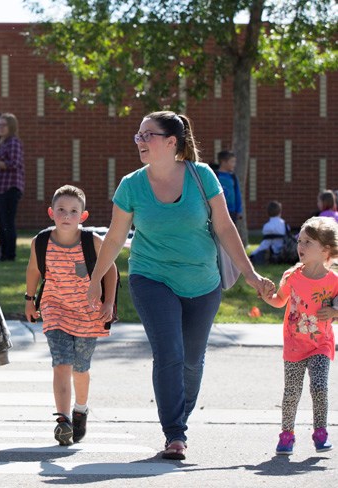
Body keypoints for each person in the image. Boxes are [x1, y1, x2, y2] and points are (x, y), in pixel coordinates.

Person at [85, 111, 272, 460]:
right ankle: (175, 433)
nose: (140, 141)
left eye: (148, 135)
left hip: (202, 281)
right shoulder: (131, 184)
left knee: (191, 359)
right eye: (138, 136)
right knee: (169, 353)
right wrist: (96, 279)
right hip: (151, 276)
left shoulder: (202, 176)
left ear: (172, 142)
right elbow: (114, 237)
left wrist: (250, 274)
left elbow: (225, 227)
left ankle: (178, 418)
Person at [25, 185, 118, 446]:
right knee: (61, 363)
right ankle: (63, 420)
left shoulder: (92, 242)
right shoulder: (40, 241)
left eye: (73, 211)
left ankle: (80, 408)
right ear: (51, 213)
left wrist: (108, 303)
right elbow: (33, 270)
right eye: (62, 210)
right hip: (55, 308)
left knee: (81, 368)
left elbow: (111, 272)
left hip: (89, 312)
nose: (67, 215)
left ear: (83, 216)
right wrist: (30, 299)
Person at [261, 216, 338, 455]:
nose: (300, 247)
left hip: (321, 344)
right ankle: (287, 435)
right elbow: (279, 301)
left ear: (325, 249)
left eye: (308, 242)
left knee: (319, 387)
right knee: (292, 392)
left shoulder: (334, 281)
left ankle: (320, 432)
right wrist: (266, 296)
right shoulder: (292, 276)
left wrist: (335, 310)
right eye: (300, 241)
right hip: (294, 345)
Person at [0, 113, 24, 261]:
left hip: (10, 188)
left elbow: (14, 164)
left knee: (8, 222)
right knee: (0, 223)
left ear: (11, 127)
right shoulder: (0, 142)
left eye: (3, 125)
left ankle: (10, 254)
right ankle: (3, 253)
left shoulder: (13, 142)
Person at [215, 150, 243, 223]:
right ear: (223, 161)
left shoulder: (233, 177)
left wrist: (239, 210)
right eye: (232, 162)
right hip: (218, 211)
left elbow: (237, 194)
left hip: (232, 212)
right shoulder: (215, 176)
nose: (234, 164)